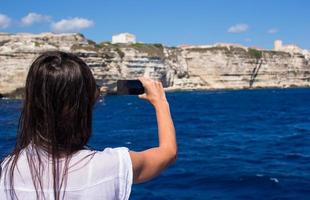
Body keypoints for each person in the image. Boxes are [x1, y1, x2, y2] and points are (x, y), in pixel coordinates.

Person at [0, 51, 177, 200]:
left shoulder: (6, 171)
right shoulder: (112, 166)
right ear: (86, 104)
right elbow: (168, 152)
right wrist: (160, 102)